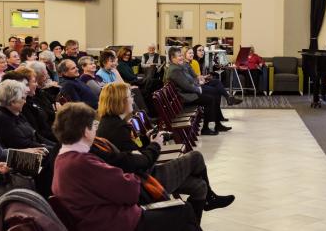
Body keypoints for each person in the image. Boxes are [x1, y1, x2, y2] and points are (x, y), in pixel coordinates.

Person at [96, 83, 234, 224]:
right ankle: (210, 199)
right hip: (145, 182)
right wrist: (156, 145)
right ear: (120, 101)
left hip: (143, 176)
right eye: (129, 96)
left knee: (199, 187)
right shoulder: (116, 129)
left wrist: (147, 140)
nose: (133, 99)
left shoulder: (113, 124)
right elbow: (141, 163)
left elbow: (133, 154)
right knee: (195, 157)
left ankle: (195, 223)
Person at [51, 102, 202, 231]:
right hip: (115, 223)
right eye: (93, 126)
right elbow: (130, 191)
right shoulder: (82, 162)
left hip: (98, 220)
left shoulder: (63, 159)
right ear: (85, 131)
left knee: (191, 193)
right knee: (184, 211)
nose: (95, 130)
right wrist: (131, 176)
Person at [165, 47, 231, 135]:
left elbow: (190, 81)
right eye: (179, 56)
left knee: (214, 93)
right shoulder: (175, 70)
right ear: (173, 58)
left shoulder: (178, 67)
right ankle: (206, 128)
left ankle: (217, 123)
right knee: (210, 98)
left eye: (181, 55)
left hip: (186, 93)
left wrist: (197, 85)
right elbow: (187, 86)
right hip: (185, 97)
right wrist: (198, 88)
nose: (181, 57)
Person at [0, 80, 55, 150]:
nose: (25, 101)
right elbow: (21, 144)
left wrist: (56, 146)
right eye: (22, 98)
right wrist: (52, 149)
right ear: (12, 102)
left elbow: (36, 135)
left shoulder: (15, 111)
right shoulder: (0, 118)